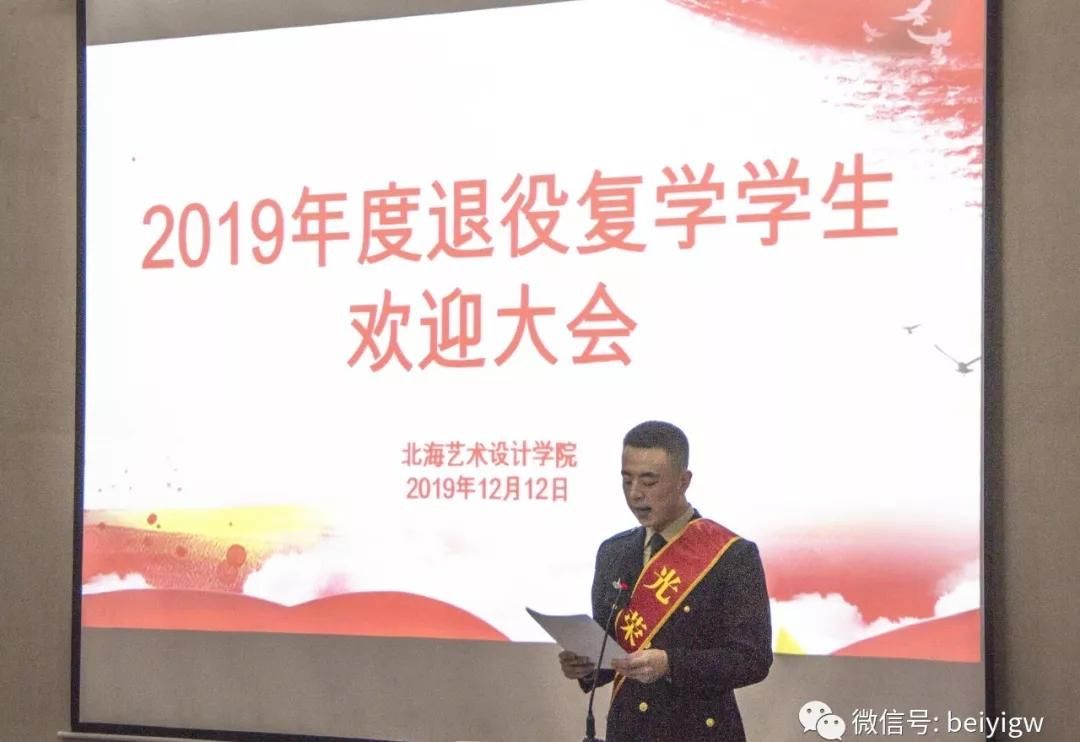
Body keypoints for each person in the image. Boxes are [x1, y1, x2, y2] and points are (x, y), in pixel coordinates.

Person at [559, 420, 772, 742]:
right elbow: (614, 647)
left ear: (683, 481)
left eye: (649, 481)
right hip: (628, 730)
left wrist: (670, 664)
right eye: (627, 480)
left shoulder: (732, 555)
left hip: (699, 730)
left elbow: (753, 660)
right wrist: (587, 666)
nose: (635, 494)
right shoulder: (613, 552)